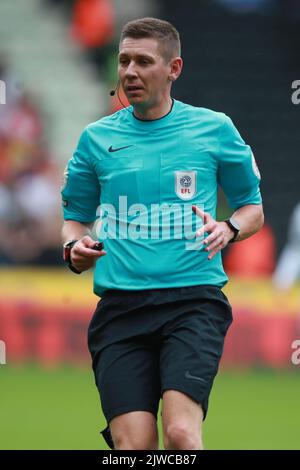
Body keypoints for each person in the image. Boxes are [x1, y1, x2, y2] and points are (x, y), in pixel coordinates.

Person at [61, 17, 264, 450]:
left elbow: (253, 210)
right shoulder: (96, 139)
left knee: (180, 435)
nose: (130, 72)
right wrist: (73, 245)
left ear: (174, 69)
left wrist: (229, 228)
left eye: (144, 62)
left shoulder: (214, 129)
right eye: (124, 61)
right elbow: (74, 218)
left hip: (193, 302)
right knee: (132, 447)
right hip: (120, 309)